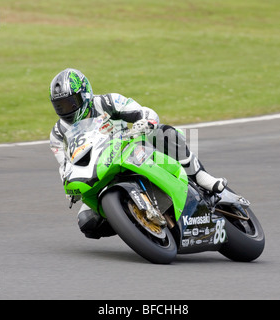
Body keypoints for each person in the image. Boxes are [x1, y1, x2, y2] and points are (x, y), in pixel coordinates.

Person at [49, 68, 227, 239]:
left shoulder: (107, 102)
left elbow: (144, 112)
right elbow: (65, 166)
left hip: (131, 147)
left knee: (164, 133)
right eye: (60, 106)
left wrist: (145, 122)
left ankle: (200, 175)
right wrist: (69, 186)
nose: (67, 110)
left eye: (71, 103)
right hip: (99, 170)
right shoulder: (57, 134)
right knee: (87, 222)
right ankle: (135, 222)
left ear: (85, 94)